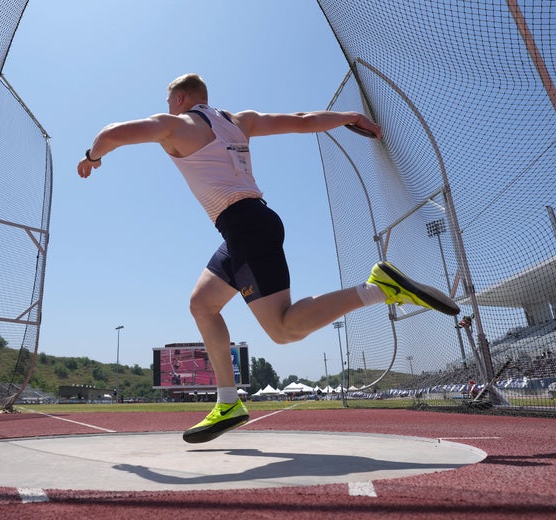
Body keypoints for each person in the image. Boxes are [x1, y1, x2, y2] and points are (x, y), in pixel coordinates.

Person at [77, 73, 459, 444]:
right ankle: (228, 403)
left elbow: (112, 133)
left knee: (284, 329)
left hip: (245, 227)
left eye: (168, 101)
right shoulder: (238, 121)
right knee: (202, 304)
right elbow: (301, 121)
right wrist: (349, 118)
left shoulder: (175, 125)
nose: (167, 108)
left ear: (179, 99)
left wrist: (92, 157)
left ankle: (378, 289)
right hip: (247, 225)